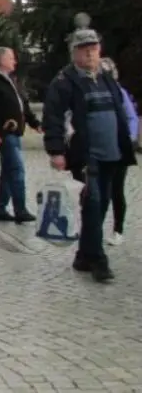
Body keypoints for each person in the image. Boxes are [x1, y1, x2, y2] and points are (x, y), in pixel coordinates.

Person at [42, 20, 137, 282]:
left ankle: (84, 254)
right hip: (85, 155)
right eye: (83, 48)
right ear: (73, 52)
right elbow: (53, 118)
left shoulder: (106, 79)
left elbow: (120, 112)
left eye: (93, 47)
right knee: (93, 203)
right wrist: (56, 151)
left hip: (112, 153)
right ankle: (98, 260)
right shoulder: (64, 82)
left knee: (102, 203)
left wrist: (127, 141)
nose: (89, 53)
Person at [0, 46, 41, 224]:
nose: (15, 61)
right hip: (5, 133)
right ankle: (20, 210)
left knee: (8, 171)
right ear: (1, 60)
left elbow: (22, 106)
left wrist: (35, 123)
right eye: (11, 58)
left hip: (15, 132)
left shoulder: (11, 80)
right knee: (16, 170)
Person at [100, 57, 137, 246]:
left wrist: (127, 138)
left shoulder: (120, 93)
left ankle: (118, 229)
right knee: (97, 191)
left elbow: (131, 118)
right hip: (99, 148)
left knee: (116, 190)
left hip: (119, 147)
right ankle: (93, 228)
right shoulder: (92, 93)